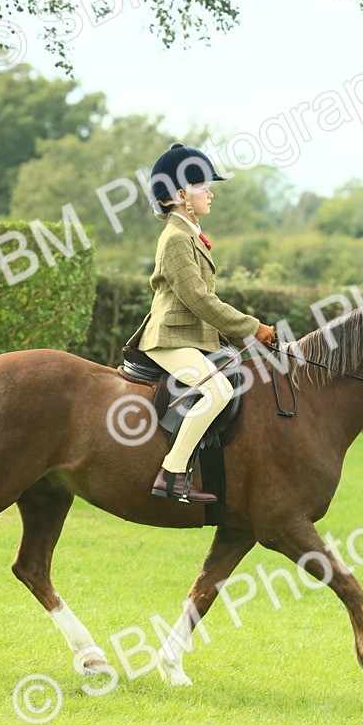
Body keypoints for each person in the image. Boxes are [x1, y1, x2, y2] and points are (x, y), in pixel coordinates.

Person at [127, 143, 277, 503]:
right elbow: (198, 299)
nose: (210, 193)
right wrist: (250, 327)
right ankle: (172, 473)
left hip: (192, 338)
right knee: (218, 390)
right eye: (203, 187)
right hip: (169, 339)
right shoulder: (177, 239)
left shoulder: (191, 236)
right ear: (180, 195)